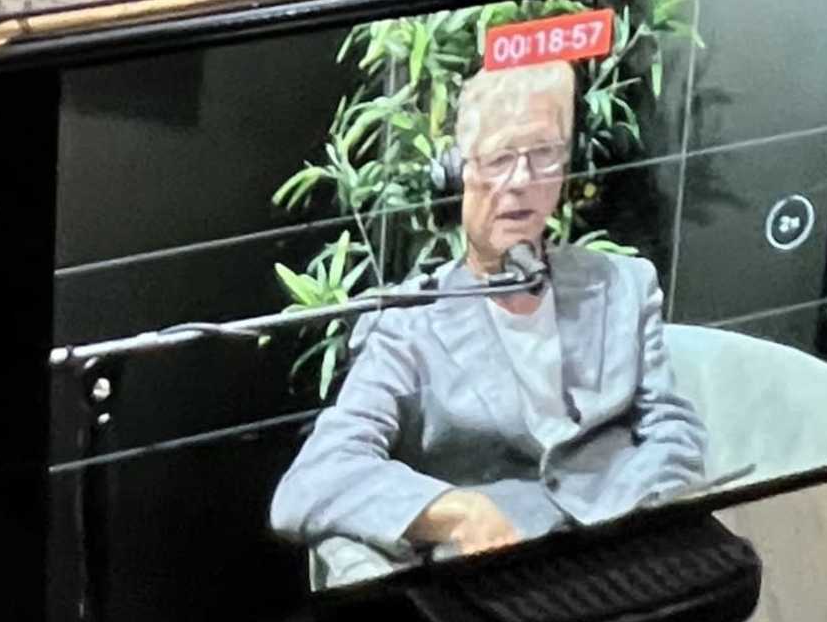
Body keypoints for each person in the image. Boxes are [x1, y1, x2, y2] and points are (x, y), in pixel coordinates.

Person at [268, 56, 704, 566]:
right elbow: (313, 480)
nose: (521, 181)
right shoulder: (409, 324)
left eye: (543, 154)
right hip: (507, 572)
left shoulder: (625, 285)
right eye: (499, 158)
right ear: (457, 174)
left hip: (631, 552)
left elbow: (674, 431)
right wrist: (458, 512)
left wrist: (646, 517)